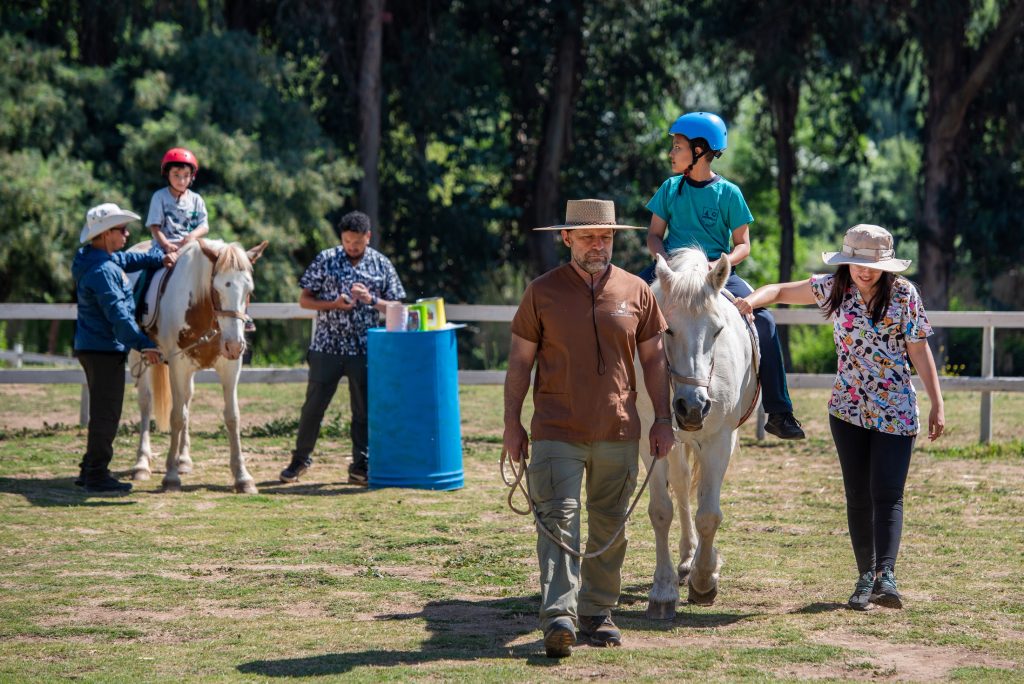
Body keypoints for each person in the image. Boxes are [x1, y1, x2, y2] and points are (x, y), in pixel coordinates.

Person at [733, 224, 945, 612]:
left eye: (873, 265)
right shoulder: (834, 287)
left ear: (886, 266)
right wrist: (748, 302)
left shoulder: (904, 295)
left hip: (895, 410)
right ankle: (865, 577)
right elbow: (777, 291)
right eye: (857, 263)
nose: (865, 271)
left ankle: (886, 576)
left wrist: (937, 402)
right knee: (857, 495)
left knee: (888, 493)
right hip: (847, 409)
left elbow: (919, 350)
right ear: (846, 262)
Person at [503, 199, 675, 658]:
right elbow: (519, 362)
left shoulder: (637, 291)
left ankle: (597, 611)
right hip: (555, 429)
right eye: (588, 237)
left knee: (610, 526)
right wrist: (511, 424)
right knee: (558, 522)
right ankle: (559, 615)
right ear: (567, 238)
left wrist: (662, 419)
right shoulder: (541, 292)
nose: (598, 245)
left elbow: (655, 360)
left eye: (606, 236)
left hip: (619, 429)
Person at [641, 111, 804, 440]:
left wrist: (718, 265)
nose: (671, 153)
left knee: (765, 321)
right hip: (672, 271)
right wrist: (665, 263)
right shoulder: (670, 188)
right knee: (626, 308)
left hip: (717, 275)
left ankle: (779, 410)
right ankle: (615, 396)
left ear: (699, 150)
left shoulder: (729, 192)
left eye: (677, 147)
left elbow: (743, 244)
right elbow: (654, 235)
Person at [279, 210, 406, 486]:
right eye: (347, 241)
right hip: (327, 346)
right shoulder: (325, 259)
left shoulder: (381, 264)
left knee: (363, 411)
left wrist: (371, 299)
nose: (352, 246)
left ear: (368, 237)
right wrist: (333, 304)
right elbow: (304, 300)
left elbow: (397, 306)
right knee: (313, 408)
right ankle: (300, 459)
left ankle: (360, 465)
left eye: (357, 242)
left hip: (365, 349)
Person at [73, 203, 177, 493]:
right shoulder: (103, 271)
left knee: (101, 411)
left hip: (93, 347)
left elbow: (130, 259)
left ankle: (89, 469)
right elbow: (119, 318)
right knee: (107, 415)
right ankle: (96, 475)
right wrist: (145, 345)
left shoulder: (97, 259)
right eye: (121, 229)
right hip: (104, 350)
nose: (127, 234)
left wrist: (158, 257)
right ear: (106, 234)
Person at [145, 147, 255, 332]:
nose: (181, 180)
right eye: (176, 175)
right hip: (164, 246)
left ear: (192, 177)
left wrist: (192, 236)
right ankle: (140, 308)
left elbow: (204, 226)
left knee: (221, 270)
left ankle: (242, 313)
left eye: (186, 176)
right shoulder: (160, 197)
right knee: (147, 272)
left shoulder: (196, 199)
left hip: (190, 246)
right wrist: (166, 245)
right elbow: (154, 227)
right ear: (167, 174)